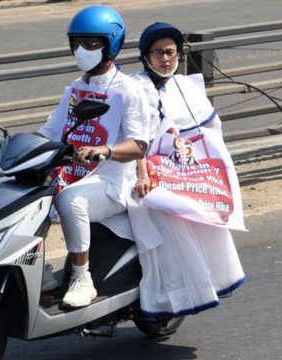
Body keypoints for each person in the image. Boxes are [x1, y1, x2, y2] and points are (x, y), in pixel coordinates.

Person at [128, 22, 246, 317]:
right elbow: (133, 136)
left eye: (170, 52)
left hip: (186, 167)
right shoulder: (134, 87)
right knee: (163, 210)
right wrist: (145, 172)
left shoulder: (186, 87)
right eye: (158, 53)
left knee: (208, 205)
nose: (165, 59)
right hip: (144, 166)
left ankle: (209, 282)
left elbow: (210, 130)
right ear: (146, 56)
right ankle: (171, 295)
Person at [37, 5, 149, 308]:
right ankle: (37, 270)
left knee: (71, 200)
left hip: (112, 181)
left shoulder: (128, 90)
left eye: (91, 44)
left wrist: (106, 150)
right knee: (28, 190)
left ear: (111, 44)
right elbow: (49, 133)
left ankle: (82, 278)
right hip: (74, 173)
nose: (82, 51)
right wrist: (10, 146)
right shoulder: (74, 89)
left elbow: (140, 146)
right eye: (77, 43)